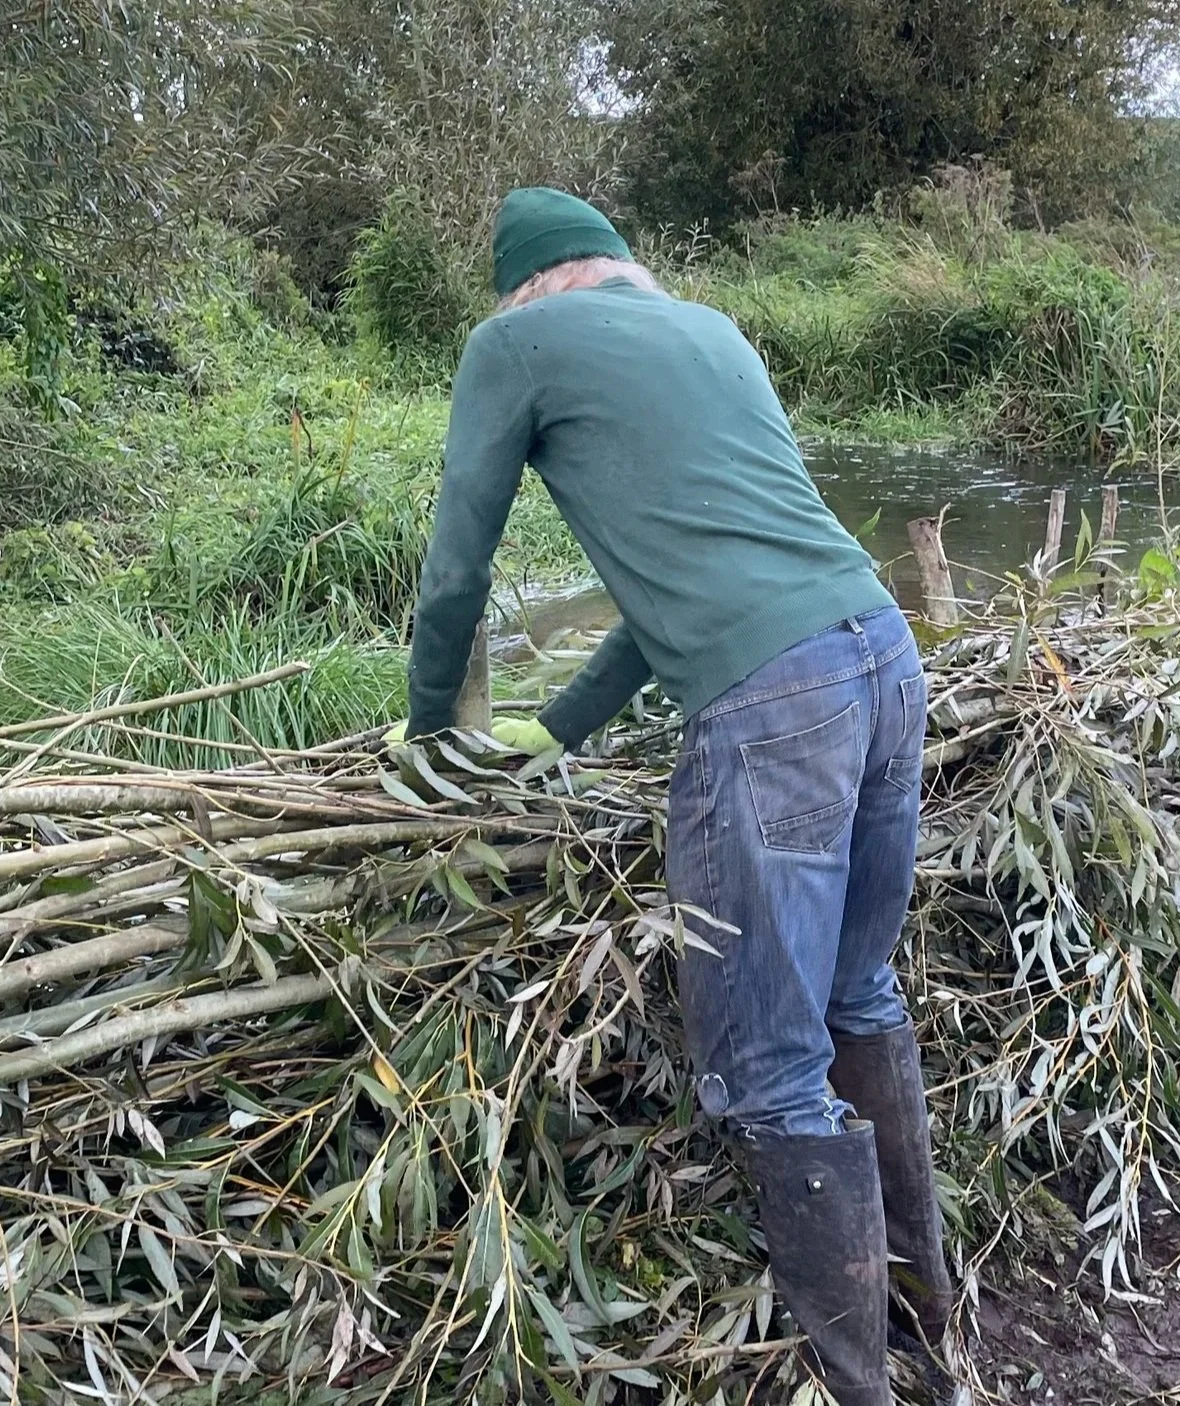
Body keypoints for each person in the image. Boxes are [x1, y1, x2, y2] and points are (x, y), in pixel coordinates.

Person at [390, 188, 952, 1406]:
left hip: (775, 708)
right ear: (615, 268)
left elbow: (455, 570)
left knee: (773, 1069)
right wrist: (559, 726)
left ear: (526, 287)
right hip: (883, 652)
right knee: (861, 989)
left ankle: (859, 1385)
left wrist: (432, 731)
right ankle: (930, 1330)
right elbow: (699, 572)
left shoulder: (513, 345)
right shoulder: (712, 329)